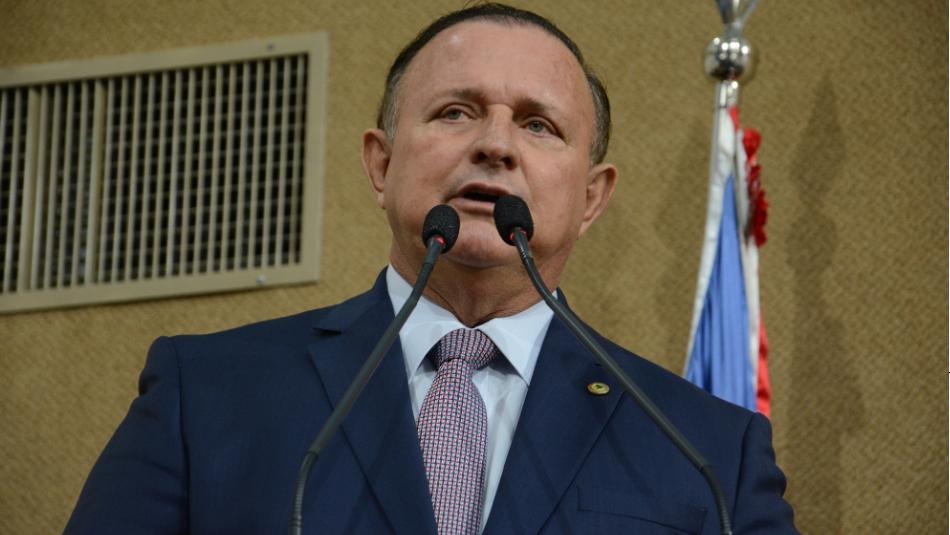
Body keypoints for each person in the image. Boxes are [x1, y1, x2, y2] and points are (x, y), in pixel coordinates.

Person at [65, 4, 797, 534]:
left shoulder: (706, 448)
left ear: (591, 198)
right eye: (455, 112)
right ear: (381, 164)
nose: (496, 145)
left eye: (538, 124)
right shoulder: (206, 395)